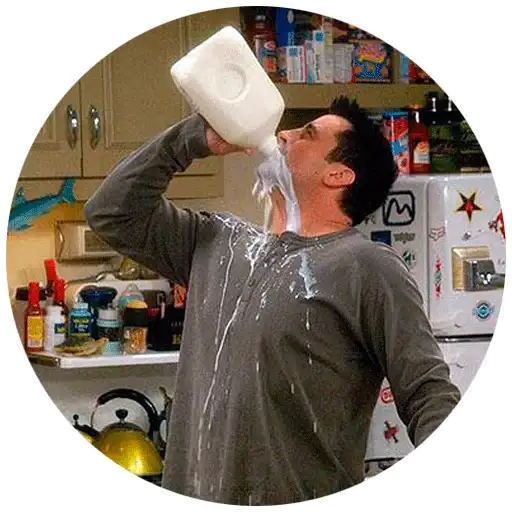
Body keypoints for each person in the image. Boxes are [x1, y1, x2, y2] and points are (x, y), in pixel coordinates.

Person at [84, 96, 461, 506]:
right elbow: (111, 211)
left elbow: (428, 393)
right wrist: (192, 139)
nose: (284, 134)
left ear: (338, 174)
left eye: (307, 134)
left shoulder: (367, 267)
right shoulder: (216, 241)